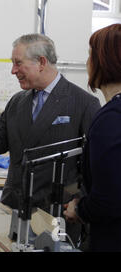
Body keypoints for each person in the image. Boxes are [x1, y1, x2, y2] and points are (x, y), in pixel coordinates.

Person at [0, 33, 100, 214]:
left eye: (18, 63)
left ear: (41, 62)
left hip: (55, 211)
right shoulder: (18, 101)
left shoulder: (83, 103)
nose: (13, 70)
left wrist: (79, 206)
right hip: (13, 206)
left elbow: (94, 165)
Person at [64, 24, 121, 252]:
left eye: (90, 56)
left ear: (103, 61)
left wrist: (78, 209)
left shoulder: (111, 119)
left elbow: (109, 198)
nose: (87, 63)